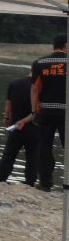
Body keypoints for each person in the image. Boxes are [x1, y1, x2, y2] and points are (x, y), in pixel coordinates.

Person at [31, 34, 67, 193]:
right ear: (66, 46)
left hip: (45, 111)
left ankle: (45, 183)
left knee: (44, 146)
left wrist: (34, 111)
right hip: (66, 112)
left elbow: (35, 89)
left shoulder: (40, 63)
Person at [0, 72, 39, 185]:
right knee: (32, 156)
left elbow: (8, 103)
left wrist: (7, 117)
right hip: (34, 126)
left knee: (9, 153)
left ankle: (0, 178)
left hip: (16, 125)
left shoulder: (15, 83)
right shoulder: (39, 86)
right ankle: (30, 181)